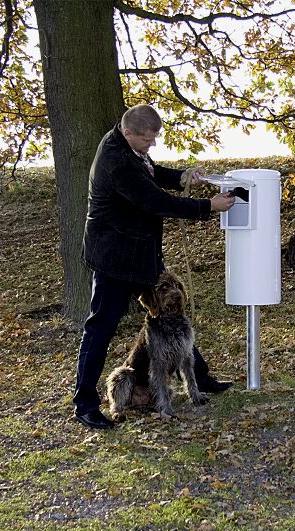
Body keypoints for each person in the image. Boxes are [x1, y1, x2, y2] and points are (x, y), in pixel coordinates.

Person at [73, 104, 236, 430]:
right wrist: (208, 207)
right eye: (148, 140)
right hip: (114, 258)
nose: (152, 146)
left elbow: (150, 172)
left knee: (172, 314)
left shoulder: (129, 145)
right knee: (100, 328)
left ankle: (199, 381)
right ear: (129, 132)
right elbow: (154, 201)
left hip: (140, 252)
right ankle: (85, 405)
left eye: (154, 139)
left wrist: (178, 177)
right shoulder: (115, 161)